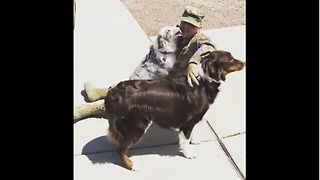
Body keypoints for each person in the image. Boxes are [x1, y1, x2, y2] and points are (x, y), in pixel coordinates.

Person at [74, 6, 217, 120]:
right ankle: (99, 93)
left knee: (125, 99)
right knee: (128, 86)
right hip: (152, 77)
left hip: (165, 88)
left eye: (190, 25)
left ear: (199, 28)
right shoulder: (176, 33)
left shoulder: (198, 40)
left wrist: (193, 62)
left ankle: (87, 110)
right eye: (184, 22)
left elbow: (209, 47)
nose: (185, 27)